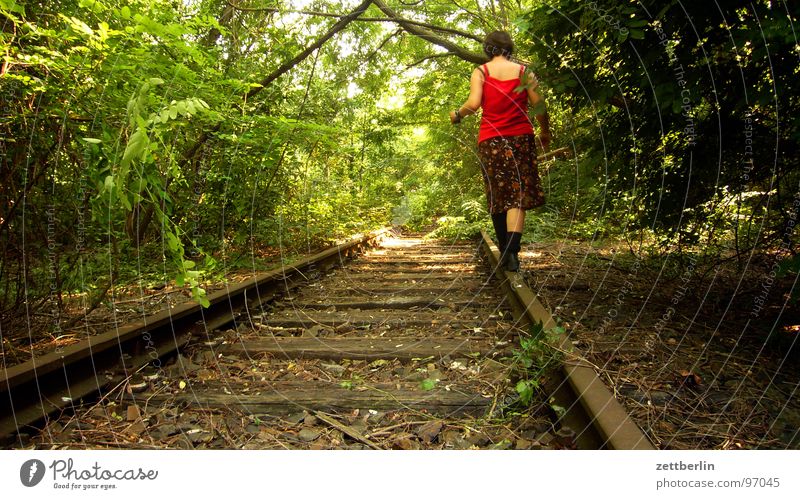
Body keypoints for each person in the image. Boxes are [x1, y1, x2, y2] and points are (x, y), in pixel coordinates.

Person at [450, 30, 551, 272]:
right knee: (517, 194)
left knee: (498, 194)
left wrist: (457, 115)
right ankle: (512, 253)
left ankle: (506, 249)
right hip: (521, 138)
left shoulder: (481, 72)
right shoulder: (523, 72)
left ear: (488, 49)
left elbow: (473, 104)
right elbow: (538, 104)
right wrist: (545, 132)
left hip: (491, 140)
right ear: (509, 49)